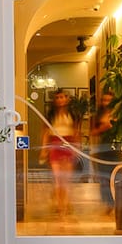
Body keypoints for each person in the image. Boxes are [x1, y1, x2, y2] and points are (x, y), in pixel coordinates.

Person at [42, 88, 79, 222]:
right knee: (58, 179)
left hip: (68, 145)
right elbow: (45, 132)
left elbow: (76, 132)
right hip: (55, 144)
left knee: (66, 180)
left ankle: (65, 203)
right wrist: (44, 149)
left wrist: (76, 147)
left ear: (67, 99)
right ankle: (61, 208)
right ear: (54, 100)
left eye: (62, 97)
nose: (60, 100)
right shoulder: (50, 115)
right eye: (57, 98)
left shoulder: (73, 114)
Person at [89, 88, 119, 210]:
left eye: (109, 100)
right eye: (104, 100)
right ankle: (109, 203)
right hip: (103, 148)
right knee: (104, 177)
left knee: (117, 176)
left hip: (116, 147)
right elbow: (93, 132)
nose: (106, 103)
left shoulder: (118, 113)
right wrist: (104, 127)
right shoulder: (98, 115)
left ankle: (118, 201)